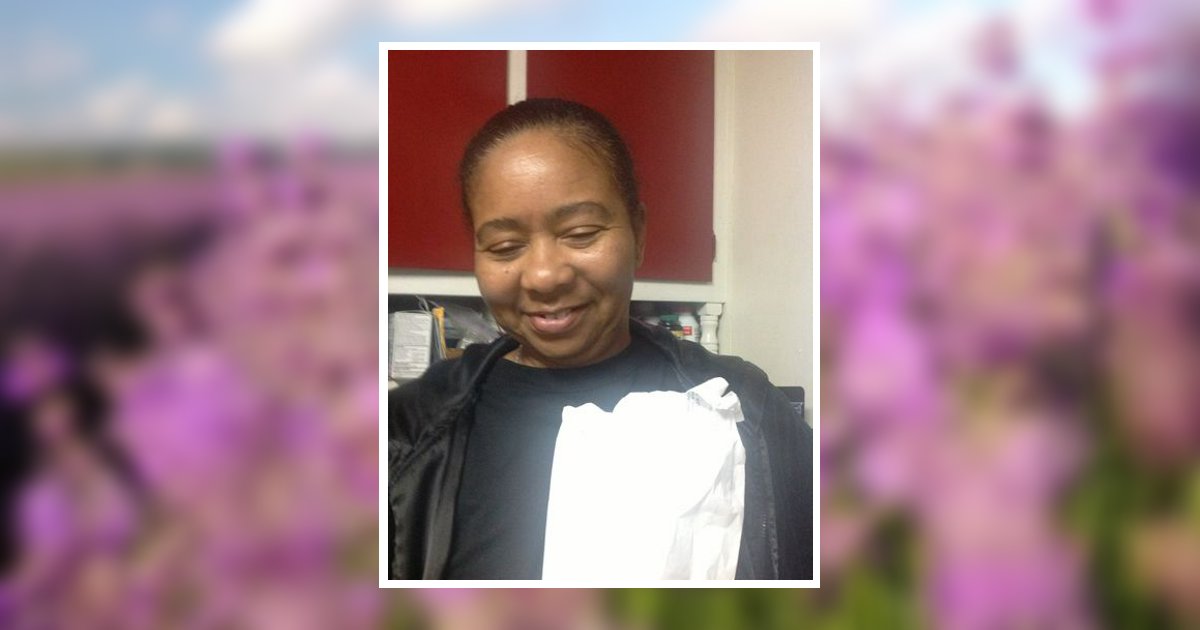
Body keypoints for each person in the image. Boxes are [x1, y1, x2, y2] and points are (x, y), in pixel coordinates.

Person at [388, 98, 813, 580]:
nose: (544, 275)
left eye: (581, 233)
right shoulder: (409, 432)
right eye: (505, 246)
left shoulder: (744, 409)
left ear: (639, 234)